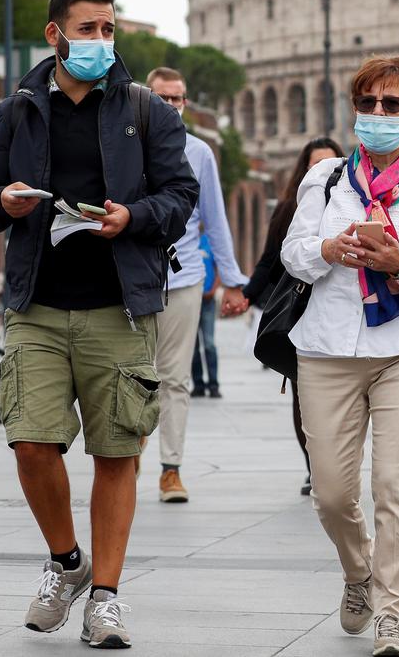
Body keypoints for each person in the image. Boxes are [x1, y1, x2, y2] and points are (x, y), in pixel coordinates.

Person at [0, 0, 197, 648]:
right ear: (56, 34)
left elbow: (179, 197)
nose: (101, 40)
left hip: (119, 306)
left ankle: (105, 599)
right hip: (36, 302)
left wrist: (132, 217)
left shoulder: (146, 109)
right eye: (89, 28)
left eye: (109, 28)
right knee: (31, 442)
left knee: (116, 452)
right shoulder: (18, 110)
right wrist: (5, 202)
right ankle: (68, 563)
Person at [281, 56, 399, 657]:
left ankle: (392, 612)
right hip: (328, 347)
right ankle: (358, 573)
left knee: (394, 485)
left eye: (391, 105)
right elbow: (294, 254)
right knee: (332, 493)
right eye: (367, 104)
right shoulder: (325, 180)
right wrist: (330, 248)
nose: (377, 115)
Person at [145, 66, 249, 504]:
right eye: (163, 98)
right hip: (129, 279)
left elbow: (215, 219)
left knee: (175, 378)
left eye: (179, 98)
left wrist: (234, 282)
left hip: (185, 277)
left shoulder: (200, 153)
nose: (172, 105)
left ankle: (171, 469)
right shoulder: (123, 144)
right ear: (145, 99)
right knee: (130, 376)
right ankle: (127, 455)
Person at [244, 136, 345, 496]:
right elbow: (270, 260)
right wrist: (246, 295)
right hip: (300, 313)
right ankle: (314, 467)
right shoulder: (289, 209)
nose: (320, 172)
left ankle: (337, 468)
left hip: (343, 312)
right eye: (313, 166)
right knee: (303, 394)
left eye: (329, 165)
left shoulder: (354, 206)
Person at [190, 231, 220, 398]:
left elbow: (218, 268)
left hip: (208, 301)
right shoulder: (186, 239)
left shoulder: (209, 240)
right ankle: (198, 384)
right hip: (192, 299)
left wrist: (214, 290)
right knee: (193, 346)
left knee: (209, 343)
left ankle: (214, 384)